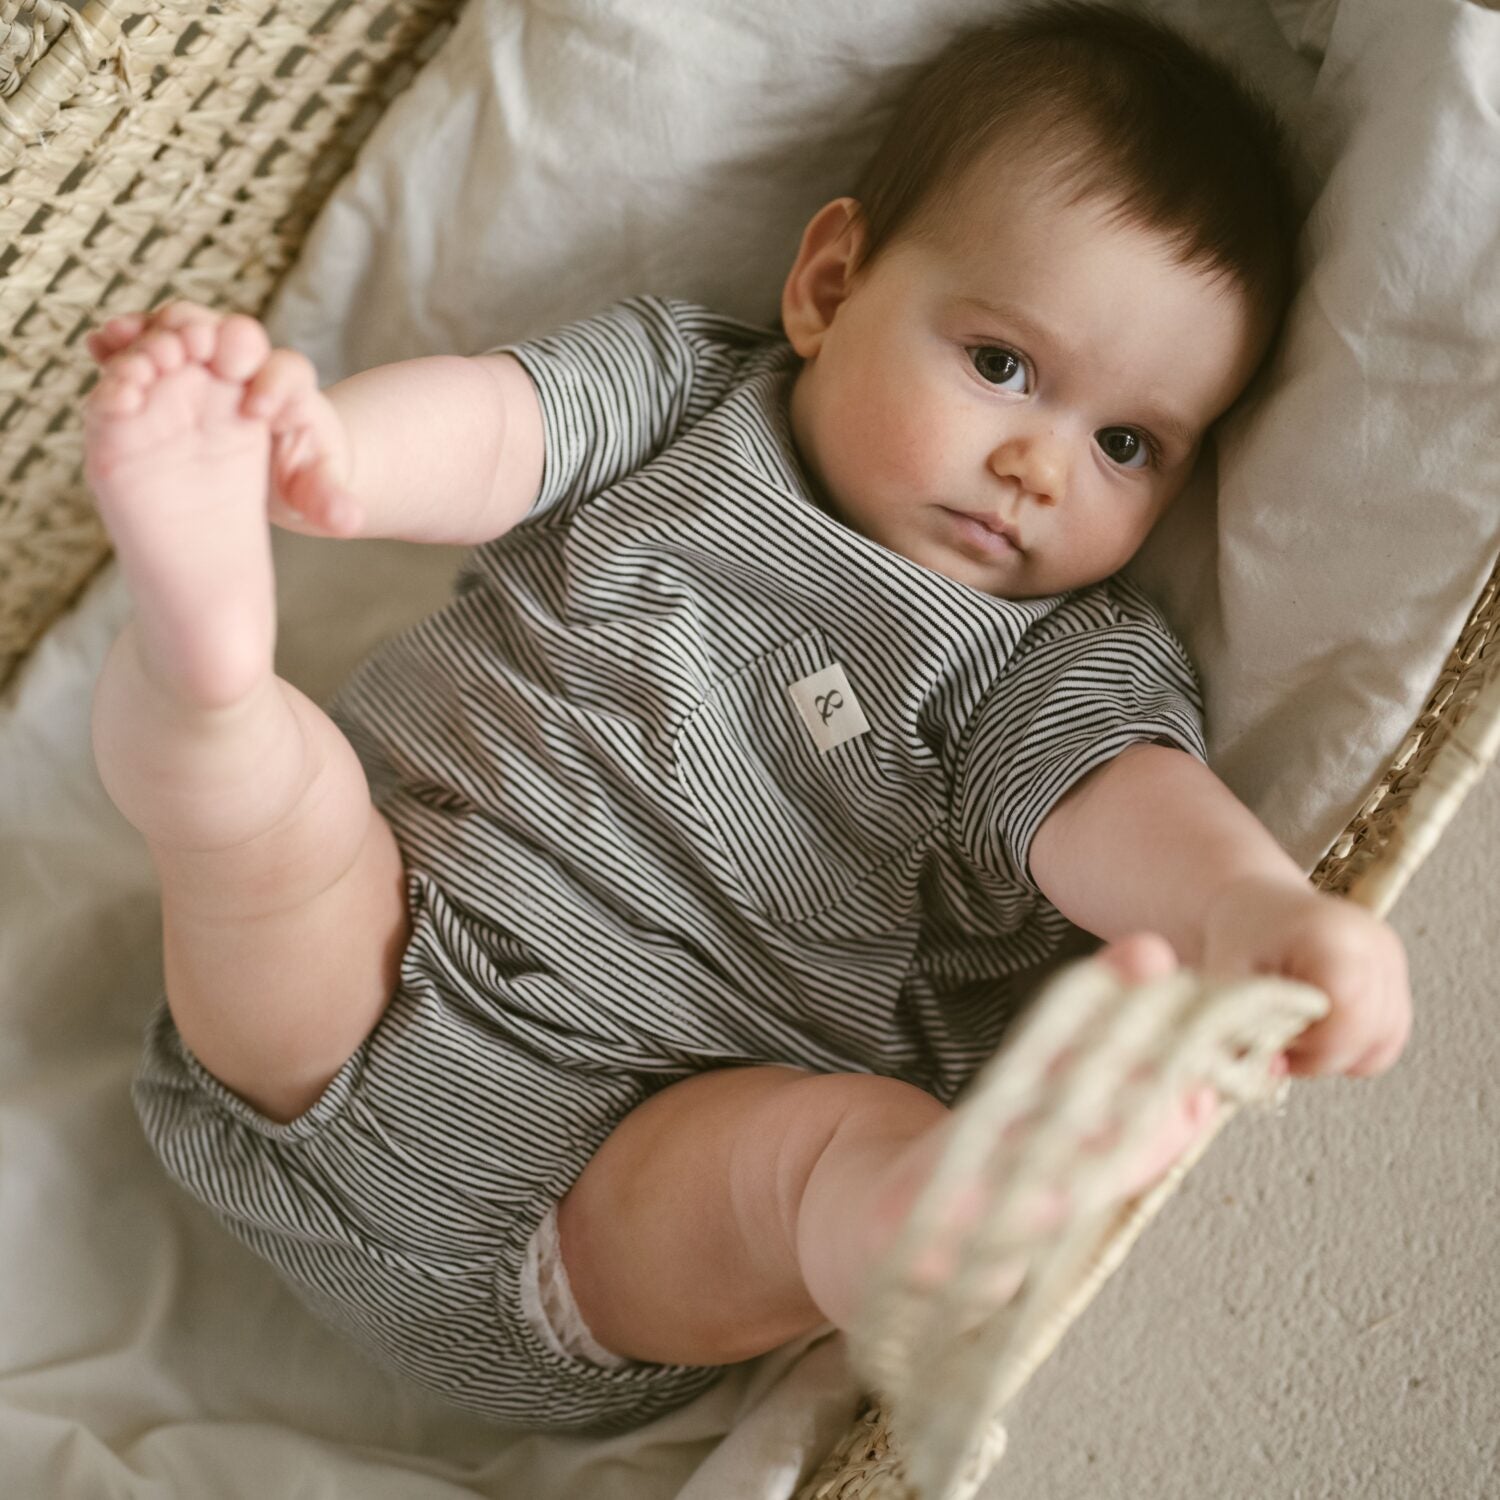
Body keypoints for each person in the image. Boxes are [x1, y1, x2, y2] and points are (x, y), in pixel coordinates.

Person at [82, 2, 1410, 1434]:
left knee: (817, 1158)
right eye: (1003, 365)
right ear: (831, 283)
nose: (1039, 465)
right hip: (349, 998)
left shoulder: (1046, 658)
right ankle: (204, 677)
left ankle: (919, 1227)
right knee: (282, 809)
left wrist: (1248, 908)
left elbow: (1116, 805)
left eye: (1128, 444)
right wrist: (330, 452)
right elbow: (495, 430)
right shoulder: (683, 393)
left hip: (612, 1200)